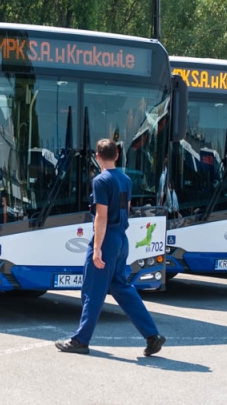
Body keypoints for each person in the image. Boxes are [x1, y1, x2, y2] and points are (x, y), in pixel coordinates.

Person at [57, 139, 165, 357]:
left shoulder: (100, 180)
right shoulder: (125, 179)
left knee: (92, 291)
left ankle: (81, 340)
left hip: (106, 240)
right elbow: (126, 208)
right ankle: (152, 335)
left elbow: (101, 217)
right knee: (121, 287)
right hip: (121, 239)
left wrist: (97, 248)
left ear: (97, 157)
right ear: (117, 155)